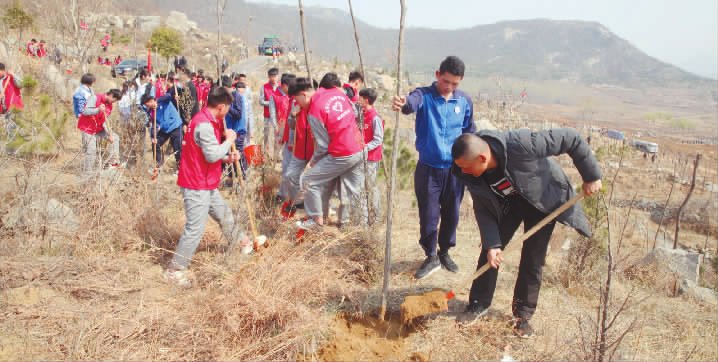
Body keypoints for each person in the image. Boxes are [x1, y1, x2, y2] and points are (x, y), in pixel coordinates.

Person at [451, 129, 602, 337]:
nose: (463, 172)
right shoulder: (470, 173)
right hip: (509, 204)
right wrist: (494, 244)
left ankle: (522, 315)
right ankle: (478, 303)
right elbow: (483, 208)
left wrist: (591, 175)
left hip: (541, 202)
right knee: (490, 251)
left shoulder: (522, 144)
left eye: (467, 168)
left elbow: (572, 139)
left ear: (482, 158)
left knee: (533, 258)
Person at [165, 87, 263, 287]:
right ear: (221, 106)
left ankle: (243, 242)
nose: (228, 112)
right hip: (195, 184)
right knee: (195, 228)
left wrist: (227, 157)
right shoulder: (204, 125)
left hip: (206, 181)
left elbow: (207, 153)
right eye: (228, 108)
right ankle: (174, 270)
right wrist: (228, 142)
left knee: (224, 214)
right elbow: (211, 155)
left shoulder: (208, 120)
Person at [391, 55, 476, 279]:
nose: (449, 87)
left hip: (455, 170)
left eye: (455, 84)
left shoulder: (464, 101)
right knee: (428, 213)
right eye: (446, 81)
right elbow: (411, 104)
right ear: (438, 75)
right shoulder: (424, 95)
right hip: (428, 168)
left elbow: (470, 132)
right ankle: (430, 255)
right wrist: (403, 103)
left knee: (452, 213)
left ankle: (445, 251)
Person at [296, 72, 366, 230]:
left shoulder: (314, 109)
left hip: (342, 152)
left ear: (303, 95)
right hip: (358, 145)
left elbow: (322, 145)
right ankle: (354, 227)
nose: (297, 104)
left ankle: (316, 220)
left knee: (308, 179)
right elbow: (355, 113)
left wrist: (313, 162)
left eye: (296, 100)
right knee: (352, 190)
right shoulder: (339, 93)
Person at [281, 78, 317, 217]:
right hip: (299, 149)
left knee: (312, 182)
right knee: (289, 176)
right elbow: (291, 126)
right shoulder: (297, 105)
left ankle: (315, 211)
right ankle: (297, 202)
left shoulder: (316, 106)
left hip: (315, 152)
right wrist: (292, 116)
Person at [75, 84, 122, 175]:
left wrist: (108, 134)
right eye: (114, 100)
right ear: (111, 95)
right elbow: (84, 111)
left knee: (115, 138)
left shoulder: (110, 106)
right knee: (91, 150)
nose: (114, 102)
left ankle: (113, 163)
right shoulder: (95, 98)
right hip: (87, 128)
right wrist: (97, 110)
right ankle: (87, 173)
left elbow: (104, 121)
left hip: (98, 129)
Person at [358, 88, 384, 223]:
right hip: (362, 158)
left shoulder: (375, 117)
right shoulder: (362, 114)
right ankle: (363, 219)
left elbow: (379, 138)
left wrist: (365, 148)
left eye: (360, 98)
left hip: (371, 159)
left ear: (366, 100)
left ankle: (376, 218)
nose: (358, 99)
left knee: (371, 188)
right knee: (361, 188)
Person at [142, 93, 183, 172]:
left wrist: (157, 101)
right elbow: (154, 125)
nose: (148, 107)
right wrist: (153, 136)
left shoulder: (164, 101)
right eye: (146, 105)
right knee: (155, 143)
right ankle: (158, 165)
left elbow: (169, 95)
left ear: (151, 101)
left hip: (175, 126)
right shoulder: (151, 112)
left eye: (148, 104)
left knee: (177, 148)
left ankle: (180, 169)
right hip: (164, 130)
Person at [222, 77, 248, 182]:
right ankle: (233, 177)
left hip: (238, 130)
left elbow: (238, 114)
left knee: (238, 153)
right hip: (230, 131)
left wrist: (227, 107)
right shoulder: (227, 96)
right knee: (230, 154)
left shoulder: (236, 96)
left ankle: (243, 176)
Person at [259, 68, 280, 158]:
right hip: (268, 116)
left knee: (277, 135)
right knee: (267, 134)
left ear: (278, 76)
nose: (273, 78)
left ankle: (276, 155)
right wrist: (272, 103)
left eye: (275, 76)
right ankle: (266, 154)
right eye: (271, 76)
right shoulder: (264, 87)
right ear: (268, 77)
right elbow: (261, 101)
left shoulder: (281, 86)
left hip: (279, 116)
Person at [0, 63, 24, 139]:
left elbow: (21, 84)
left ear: (3, 70)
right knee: (11, 133)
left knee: (18, 132)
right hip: (6, 110)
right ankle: (14, 150)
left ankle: (23, 149)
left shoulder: (10, 77)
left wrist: (13, 75)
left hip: (16, 107)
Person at [237, 73, 255, 142]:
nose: (242, 82)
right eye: (241, 80)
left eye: (244, 80)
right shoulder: (235, 91)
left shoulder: (248, 89)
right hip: (239, 120)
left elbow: (250, 101)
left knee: (246, 140)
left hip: (246, 116)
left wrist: (251, 130)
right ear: (238, 80)